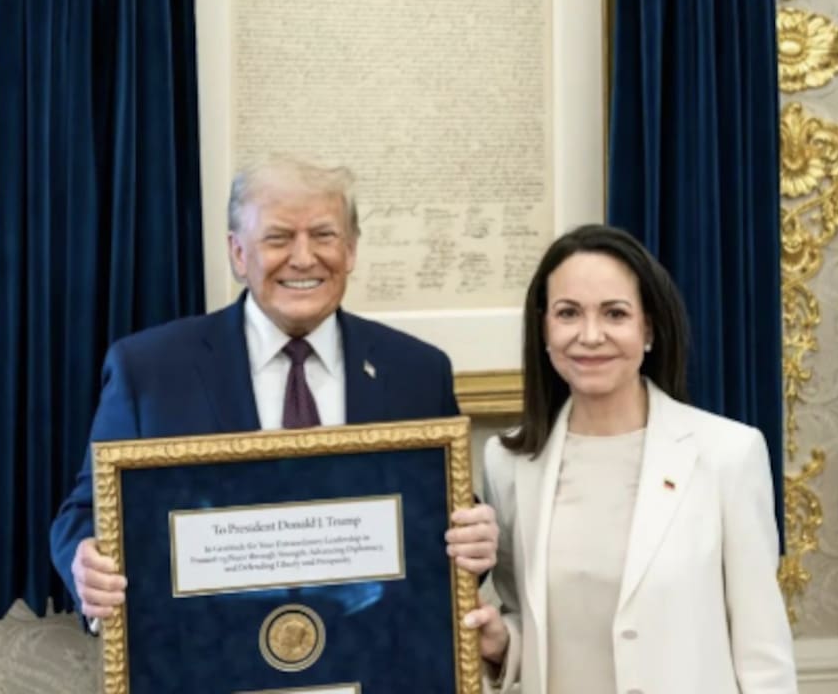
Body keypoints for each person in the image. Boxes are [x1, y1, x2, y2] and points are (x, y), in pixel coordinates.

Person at [49, 157, 498, 621]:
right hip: (207, 662)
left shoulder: (417, 372)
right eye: (278, 238)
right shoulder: (149, 372)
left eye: (324, 235)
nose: (304, 258)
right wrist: (86, 563)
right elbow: (85, 514)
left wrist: (476, 537)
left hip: (374, 659)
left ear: (351, 250)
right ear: (239, 253)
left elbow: (443, 518)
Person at [465, 224, 796, 694]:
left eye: (615, 314)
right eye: (568, 313)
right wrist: (501, 643)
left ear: (648, 330)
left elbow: (762, 652)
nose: (591, 335)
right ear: (544, 329)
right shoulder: (508, 461)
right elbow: (530, 621)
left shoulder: (727, 454)